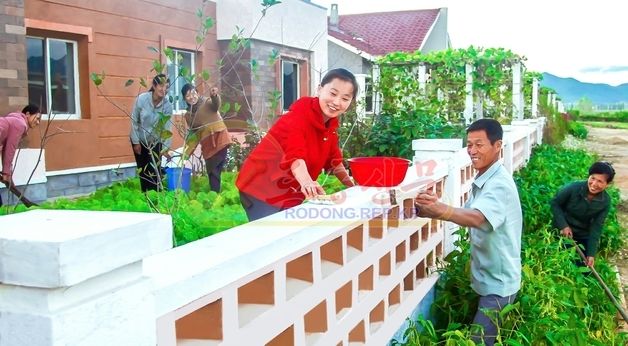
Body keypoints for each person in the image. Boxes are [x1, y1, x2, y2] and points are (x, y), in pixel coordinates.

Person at [414, 118, 522, 346]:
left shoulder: (499, 184)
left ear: (498, 146)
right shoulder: (485, 178)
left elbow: (477, 217)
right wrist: (436, 207)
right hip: (489, 280)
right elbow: (470, 211)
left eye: (479, 145)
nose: (472, 151)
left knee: (479, 341)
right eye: (469, 145)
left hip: (498, 286)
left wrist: (440, 210)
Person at [235, 68, 357, 221]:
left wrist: (353, 185)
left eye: (345, 98)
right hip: (260, 188)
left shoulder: (330, 126)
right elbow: (295, 156)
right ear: (319, 89)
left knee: (291, 235)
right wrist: (307, 182)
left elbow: (334, 161)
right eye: (333, 94)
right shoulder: (297, 118)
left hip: (289, 191)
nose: (337, 102)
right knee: (274, 238)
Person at [551, 161, 614, 267]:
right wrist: (563, 225)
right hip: (562, 232)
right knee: (562, 261)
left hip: (582, 235)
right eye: (592, 178)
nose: (594, 184)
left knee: (584, 266)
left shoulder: (605, 202)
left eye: (600, 181)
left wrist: (591, 254)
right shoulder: (574, 188)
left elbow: (596, 227)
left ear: (607, 184)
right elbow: (555, 203)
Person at [181, 83, 231, 193]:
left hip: (220, 139)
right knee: (212, 171)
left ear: (198, 93)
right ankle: (217, 195)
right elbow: (195, 135)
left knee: (214, 170)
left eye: (194, 93)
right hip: (208, 146)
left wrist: (214, 95)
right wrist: (185, 154)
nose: (192, 97)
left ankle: (215, 195)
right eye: (188, 95)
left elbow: (216, 105)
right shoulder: (188, 116)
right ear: (184, 98)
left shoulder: (207, 102)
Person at [130, 74, 173, 192]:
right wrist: (135, 142)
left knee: (154, 170)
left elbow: (167, 128)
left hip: (155, 142)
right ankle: (145, 194)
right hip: (140, 139)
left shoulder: (167, 106)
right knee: (143, 169)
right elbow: (134, 121)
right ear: (154, 86)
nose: (164, 89)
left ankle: (156, 196)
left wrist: (165, 148)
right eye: (161, 85)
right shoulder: (142, 99)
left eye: (167, 87)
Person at [0, 104, 41, 205]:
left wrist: (7, 172)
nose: (38, 122)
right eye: (37, 118)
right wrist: (6, 173)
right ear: (27, 114)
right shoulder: (20, 124)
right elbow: (10, 149)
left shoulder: (12, 121)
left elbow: (5, 150)